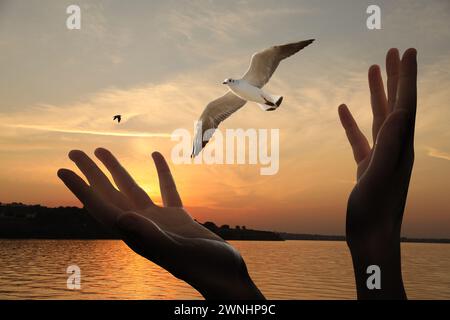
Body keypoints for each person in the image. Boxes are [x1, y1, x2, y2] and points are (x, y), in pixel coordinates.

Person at [57, 48, 417, 300]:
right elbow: (213, 114)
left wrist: (230, 289)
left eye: (229, 80)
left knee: (264, 54)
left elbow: (274, 54)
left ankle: (270, 103)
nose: (228, 84)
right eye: (228, 82)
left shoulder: (252, 72)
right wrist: (375, 242)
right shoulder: (223, 100)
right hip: (259, 103)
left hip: (264, 97)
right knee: (207, 114)